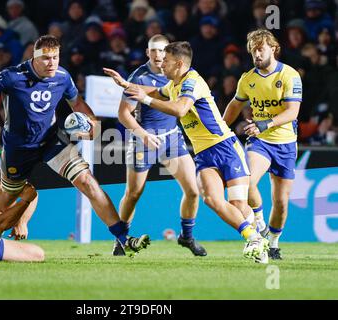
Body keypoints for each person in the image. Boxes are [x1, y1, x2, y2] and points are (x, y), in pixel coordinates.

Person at [0, 35, 150, 256]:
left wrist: (93, 124)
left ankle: (123, 238)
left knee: (87, 181)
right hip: (17, 150)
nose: (52, 63)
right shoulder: (12, 76)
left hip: (51, 141)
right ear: (34, 58)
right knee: (4, 205)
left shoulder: (62, 77)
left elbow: (77, 103)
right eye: (46, 58)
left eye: (55, 57)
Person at [104, 41, 269, 263]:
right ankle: (254, 238)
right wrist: (126, 84)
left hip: (225, 147)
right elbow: (154, 91)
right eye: (158, 56)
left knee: (238, 204)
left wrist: (144, 99)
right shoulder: (173, 84)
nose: (162, 63)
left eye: (167, 60)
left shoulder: (192, 81)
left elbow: (179, 108)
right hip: (204, 153)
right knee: (211, 199)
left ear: (179, 63)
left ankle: (259, 234)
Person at [111, 34, 206, 257]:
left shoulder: (177, 75)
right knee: (134, 193)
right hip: (144, 140)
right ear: (147, 53)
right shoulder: (140, 76)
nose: (158, 55)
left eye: (162, 51)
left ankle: (187, 237)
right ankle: (121, 239)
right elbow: (124, 114)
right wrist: (143, 135)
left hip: (172, 137)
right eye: (153, 50)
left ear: (169, 54)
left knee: (193, 190)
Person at [223, 29, 303, 260]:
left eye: (261, 49)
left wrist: (264, 123)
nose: (256, 54)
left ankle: (274, 242)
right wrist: (218, 128)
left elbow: (292, 112)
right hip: (260, 141)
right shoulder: (248, 78)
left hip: (286, 143)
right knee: (247, 183)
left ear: (273, 49)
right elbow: (235, 105)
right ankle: (258, 221)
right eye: (253, 50)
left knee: (281, 202)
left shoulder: (289, 75)